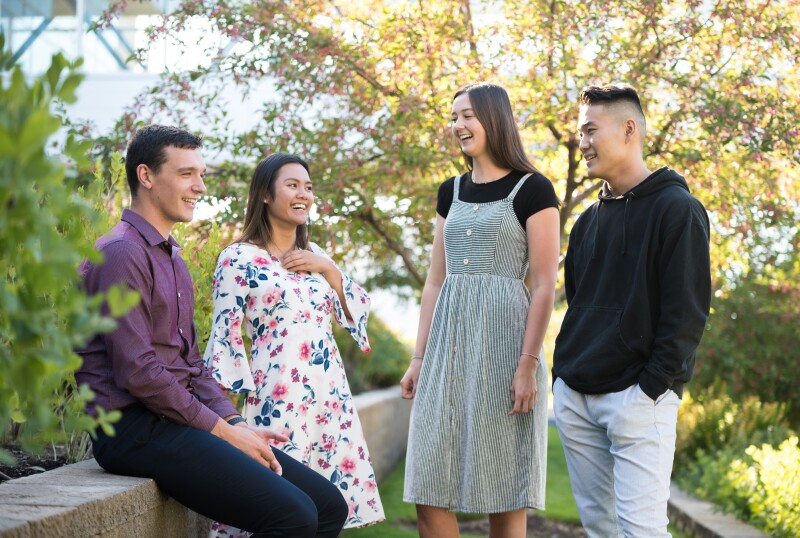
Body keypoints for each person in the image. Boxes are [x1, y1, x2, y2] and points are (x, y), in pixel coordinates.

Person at [75, 125, 348, 538]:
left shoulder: (173, 260)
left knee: (328, 506)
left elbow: (191, 365)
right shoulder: (120, 254)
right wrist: (222, 432)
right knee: (293, 515)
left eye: (201, 175)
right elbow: (139, 372)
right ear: (146, 177)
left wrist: (236, 423)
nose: (200, 186)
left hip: (173, 419)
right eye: (187, 174)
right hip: (132, 429)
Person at [401, 82, 561, 538]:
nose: (458, 126)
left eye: (467, 115)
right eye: (454, 118)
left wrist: (527, 365)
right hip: (446, 349)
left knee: (503, 486)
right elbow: (435, 280)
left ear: (495, 118)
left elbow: (545, 284)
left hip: (506, 347)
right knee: (428, 486)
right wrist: (418, 356)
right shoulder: (450, 191)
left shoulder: (534, 189)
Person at [552, 83, 711, 537]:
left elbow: (687, 313)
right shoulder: (586, 222)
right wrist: (562, 380)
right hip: (577, 396)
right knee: (601, 529)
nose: (581, 143)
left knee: (641, 531)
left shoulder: (678, 210)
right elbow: (580, 303)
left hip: (639, 400)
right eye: (579, 133)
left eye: (589, 131)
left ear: (628, 129)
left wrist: (652, 389)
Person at [203, 153, 385, 536]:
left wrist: (330, 271)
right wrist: (223, 418)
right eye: (292, 185)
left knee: (327, 511)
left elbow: (357, 313)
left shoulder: (317, 256)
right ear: (266, 195)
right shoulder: (237, 258)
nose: (304, 194)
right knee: (283, 508)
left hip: (327, 399)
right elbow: (225, 337)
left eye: (308, 187)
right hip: (276, 396)